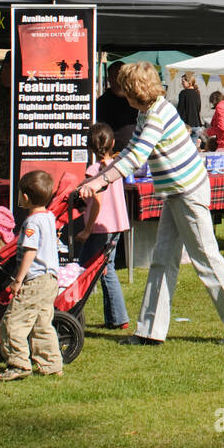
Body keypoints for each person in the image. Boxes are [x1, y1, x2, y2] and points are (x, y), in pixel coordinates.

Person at [77, 62, 224, 346]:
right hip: (176, 192)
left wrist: (98, 182)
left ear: (135, 90)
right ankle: (150, 331)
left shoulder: (155, 116)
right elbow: (128, 152)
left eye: (124, 88)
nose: (120, 92)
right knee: (162, 260)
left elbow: (136, 157)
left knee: (206, 258)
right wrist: (98, 176)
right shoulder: (148, 111)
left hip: (187, 192)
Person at [0, 170, 63, 380]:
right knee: (42, 324)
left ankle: (18, 363)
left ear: (25, 197)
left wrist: (18, 280)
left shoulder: (32, 223)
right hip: (51, 280)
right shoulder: (49, 217)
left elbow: (30, 252)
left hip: (35, 281)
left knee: (13, 322)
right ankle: (51, 363)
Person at [81, 123, 131, 331]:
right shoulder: (117, 167)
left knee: (90, 270)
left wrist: (86, 229)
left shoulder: (94, 171)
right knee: (105, 270)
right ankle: (114, 318)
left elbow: (98, 203)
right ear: (112, 143)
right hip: (116, 225)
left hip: (100, 228)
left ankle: (118, 317)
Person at [175, 74, 203, 143]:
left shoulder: (183, 93)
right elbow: (198, 109)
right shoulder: (197, 93)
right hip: (197, 125)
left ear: (189, 82)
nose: (182, 83)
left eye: (183, 81)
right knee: (193, 148)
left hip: (187, 126)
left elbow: (180, 111)